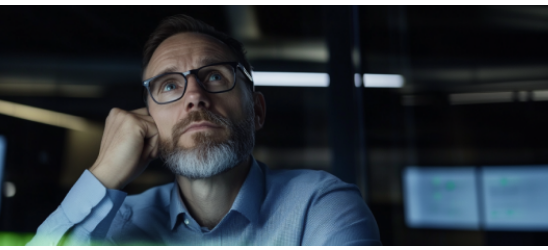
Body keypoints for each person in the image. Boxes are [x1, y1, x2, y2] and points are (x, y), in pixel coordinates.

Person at [26, 14, 381, 246]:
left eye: (214, 76)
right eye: (169, 85)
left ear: (257, 111)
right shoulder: (114, 226)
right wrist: (103, 175)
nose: (194, 96)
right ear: (149, 120)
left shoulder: (321, 207)